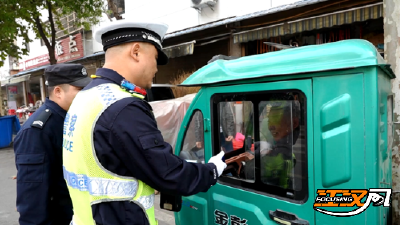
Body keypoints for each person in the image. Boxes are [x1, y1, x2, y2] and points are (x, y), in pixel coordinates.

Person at [62, 20, 227, 225]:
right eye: (156, 58)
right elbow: (168, 174)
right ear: (136, 51)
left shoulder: (86, 96)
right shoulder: (123, 106)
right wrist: (210, 171)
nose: (156, 68)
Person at [14, 63, 92, 225]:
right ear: (58, 92)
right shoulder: (37, 131)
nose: (87, 94)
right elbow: (32, 197)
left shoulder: (72, 118)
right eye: (79, 90)